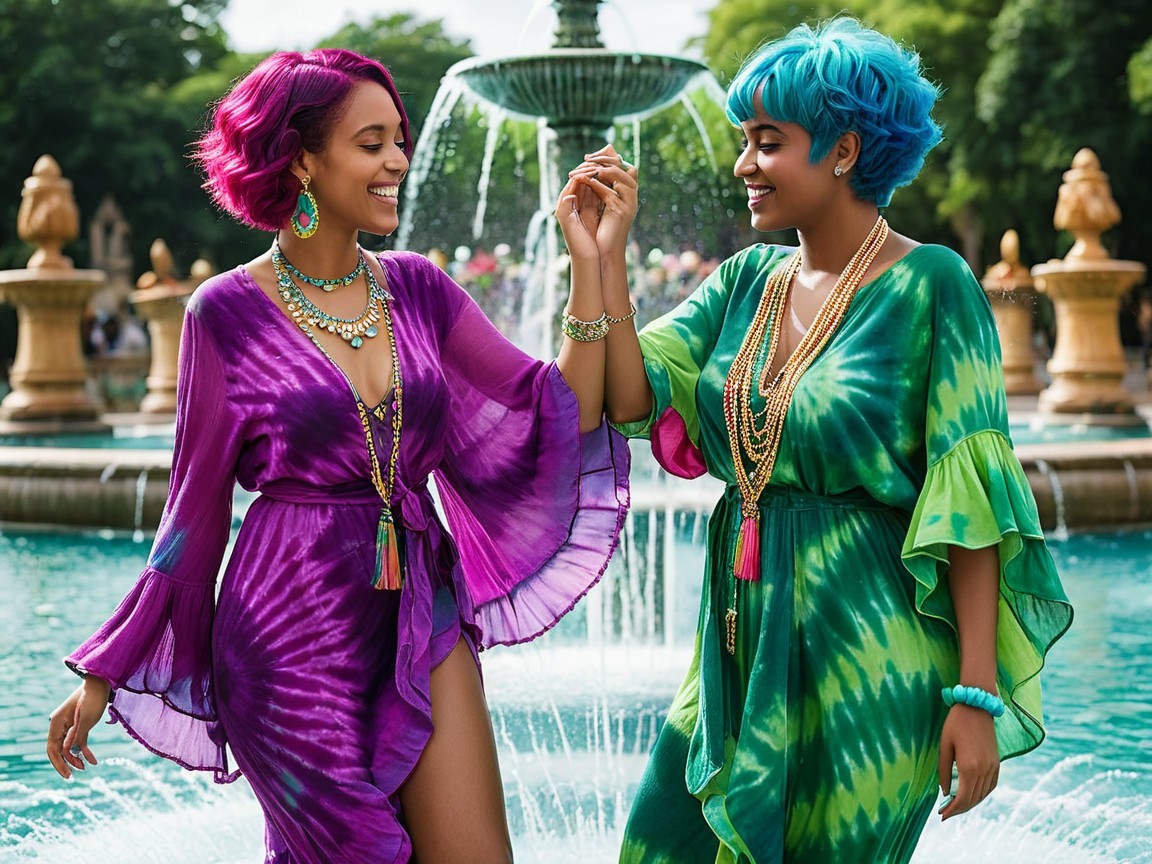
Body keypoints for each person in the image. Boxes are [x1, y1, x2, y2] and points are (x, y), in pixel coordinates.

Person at [45, 48, 634, 863]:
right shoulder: (223, 313)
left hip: (419, 601)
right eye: (372, 142)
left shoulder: (422, 290)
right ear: (302, 160)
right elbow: (193, 516)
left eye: (400, 138)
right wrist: (106, 670)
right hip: (286, 628)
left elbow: (552, 414)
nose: (398, 160)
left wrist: (591, 263)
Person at [570, 18, 1073, 863]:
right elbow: (624, 394)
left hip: (871, 651)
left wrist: (975, 696)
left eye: (768, 143)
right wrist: (602, 259)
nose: (744, 166)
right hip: (738, 640)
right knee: (662, 842)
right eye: (743, 142)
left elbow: (971, 497)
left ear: (842, 150)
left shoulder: (932, 285)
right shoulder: (744, 283)